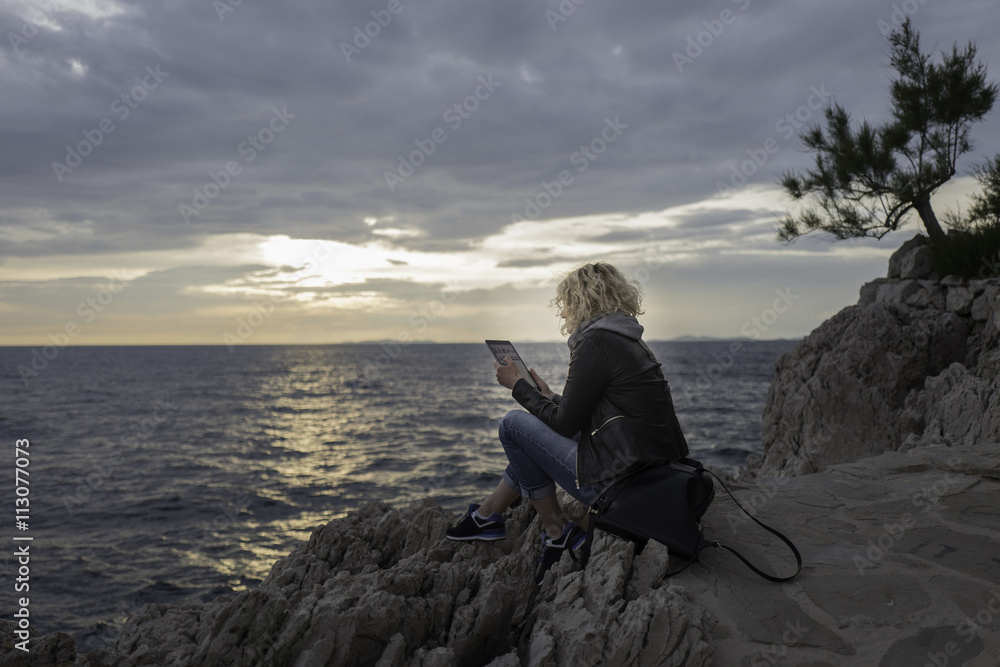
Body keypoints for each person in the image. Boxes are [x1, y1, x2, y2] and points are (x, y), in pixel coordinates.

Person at [446, 262, 689, 583]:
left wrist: (518, 387)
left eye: (564, 304)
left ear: (580, 300)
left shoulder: (595, 342)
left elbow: (563, 425)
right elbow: (590, 415)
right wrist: (547, 396)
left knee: (512, 425)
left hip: (617, 484)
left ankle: (556, 531)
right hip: (645, 470)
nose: (562, 314)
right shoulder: (628, 339)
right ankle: (487, 515)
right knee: (530, 439)